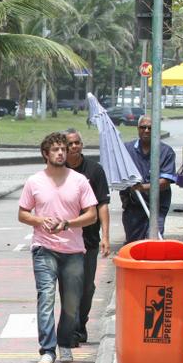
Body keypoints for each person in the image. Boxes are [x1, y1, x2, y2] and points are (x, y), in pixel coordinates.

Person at [18, 132, 97, 363]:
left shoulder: (79, 180)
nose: (61, 152)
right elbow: (22, 214)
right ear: (46, 154)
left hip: (73, 250)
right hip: (44, 248)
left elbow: (91, 215)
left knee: (72, 304)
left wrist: (67, 224)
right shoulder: (34, 181)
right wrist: (41, 220)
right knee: (46, 297)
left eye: (63, 149)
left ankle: (64, 341)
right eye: (55, 149)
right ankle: (47, 350)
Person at [65, 129, 111, 346]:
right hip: (64, 240)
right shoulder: (58, 171)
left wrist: (106, 236)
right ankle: (72, 330)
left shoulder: (94, 170)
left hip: (89, 239)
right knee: (70, 285)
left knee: (86, 287)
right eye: (70, 144)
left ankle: (80, 323)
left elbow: (103, 203)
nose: (74, 147)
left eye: (77, 143)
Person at [120, 115, 176, 242]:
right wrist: (125, 197)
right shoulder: (126, 150)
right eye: (143, 127)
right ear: (137, 128)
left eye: (150, 128)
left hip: (157, 208)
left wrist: (142, 187)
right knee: (133, 245)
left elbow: (165, 183)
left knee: (154, 242)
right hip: (134, 208)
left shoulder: (166, 152)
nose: (146, 131)